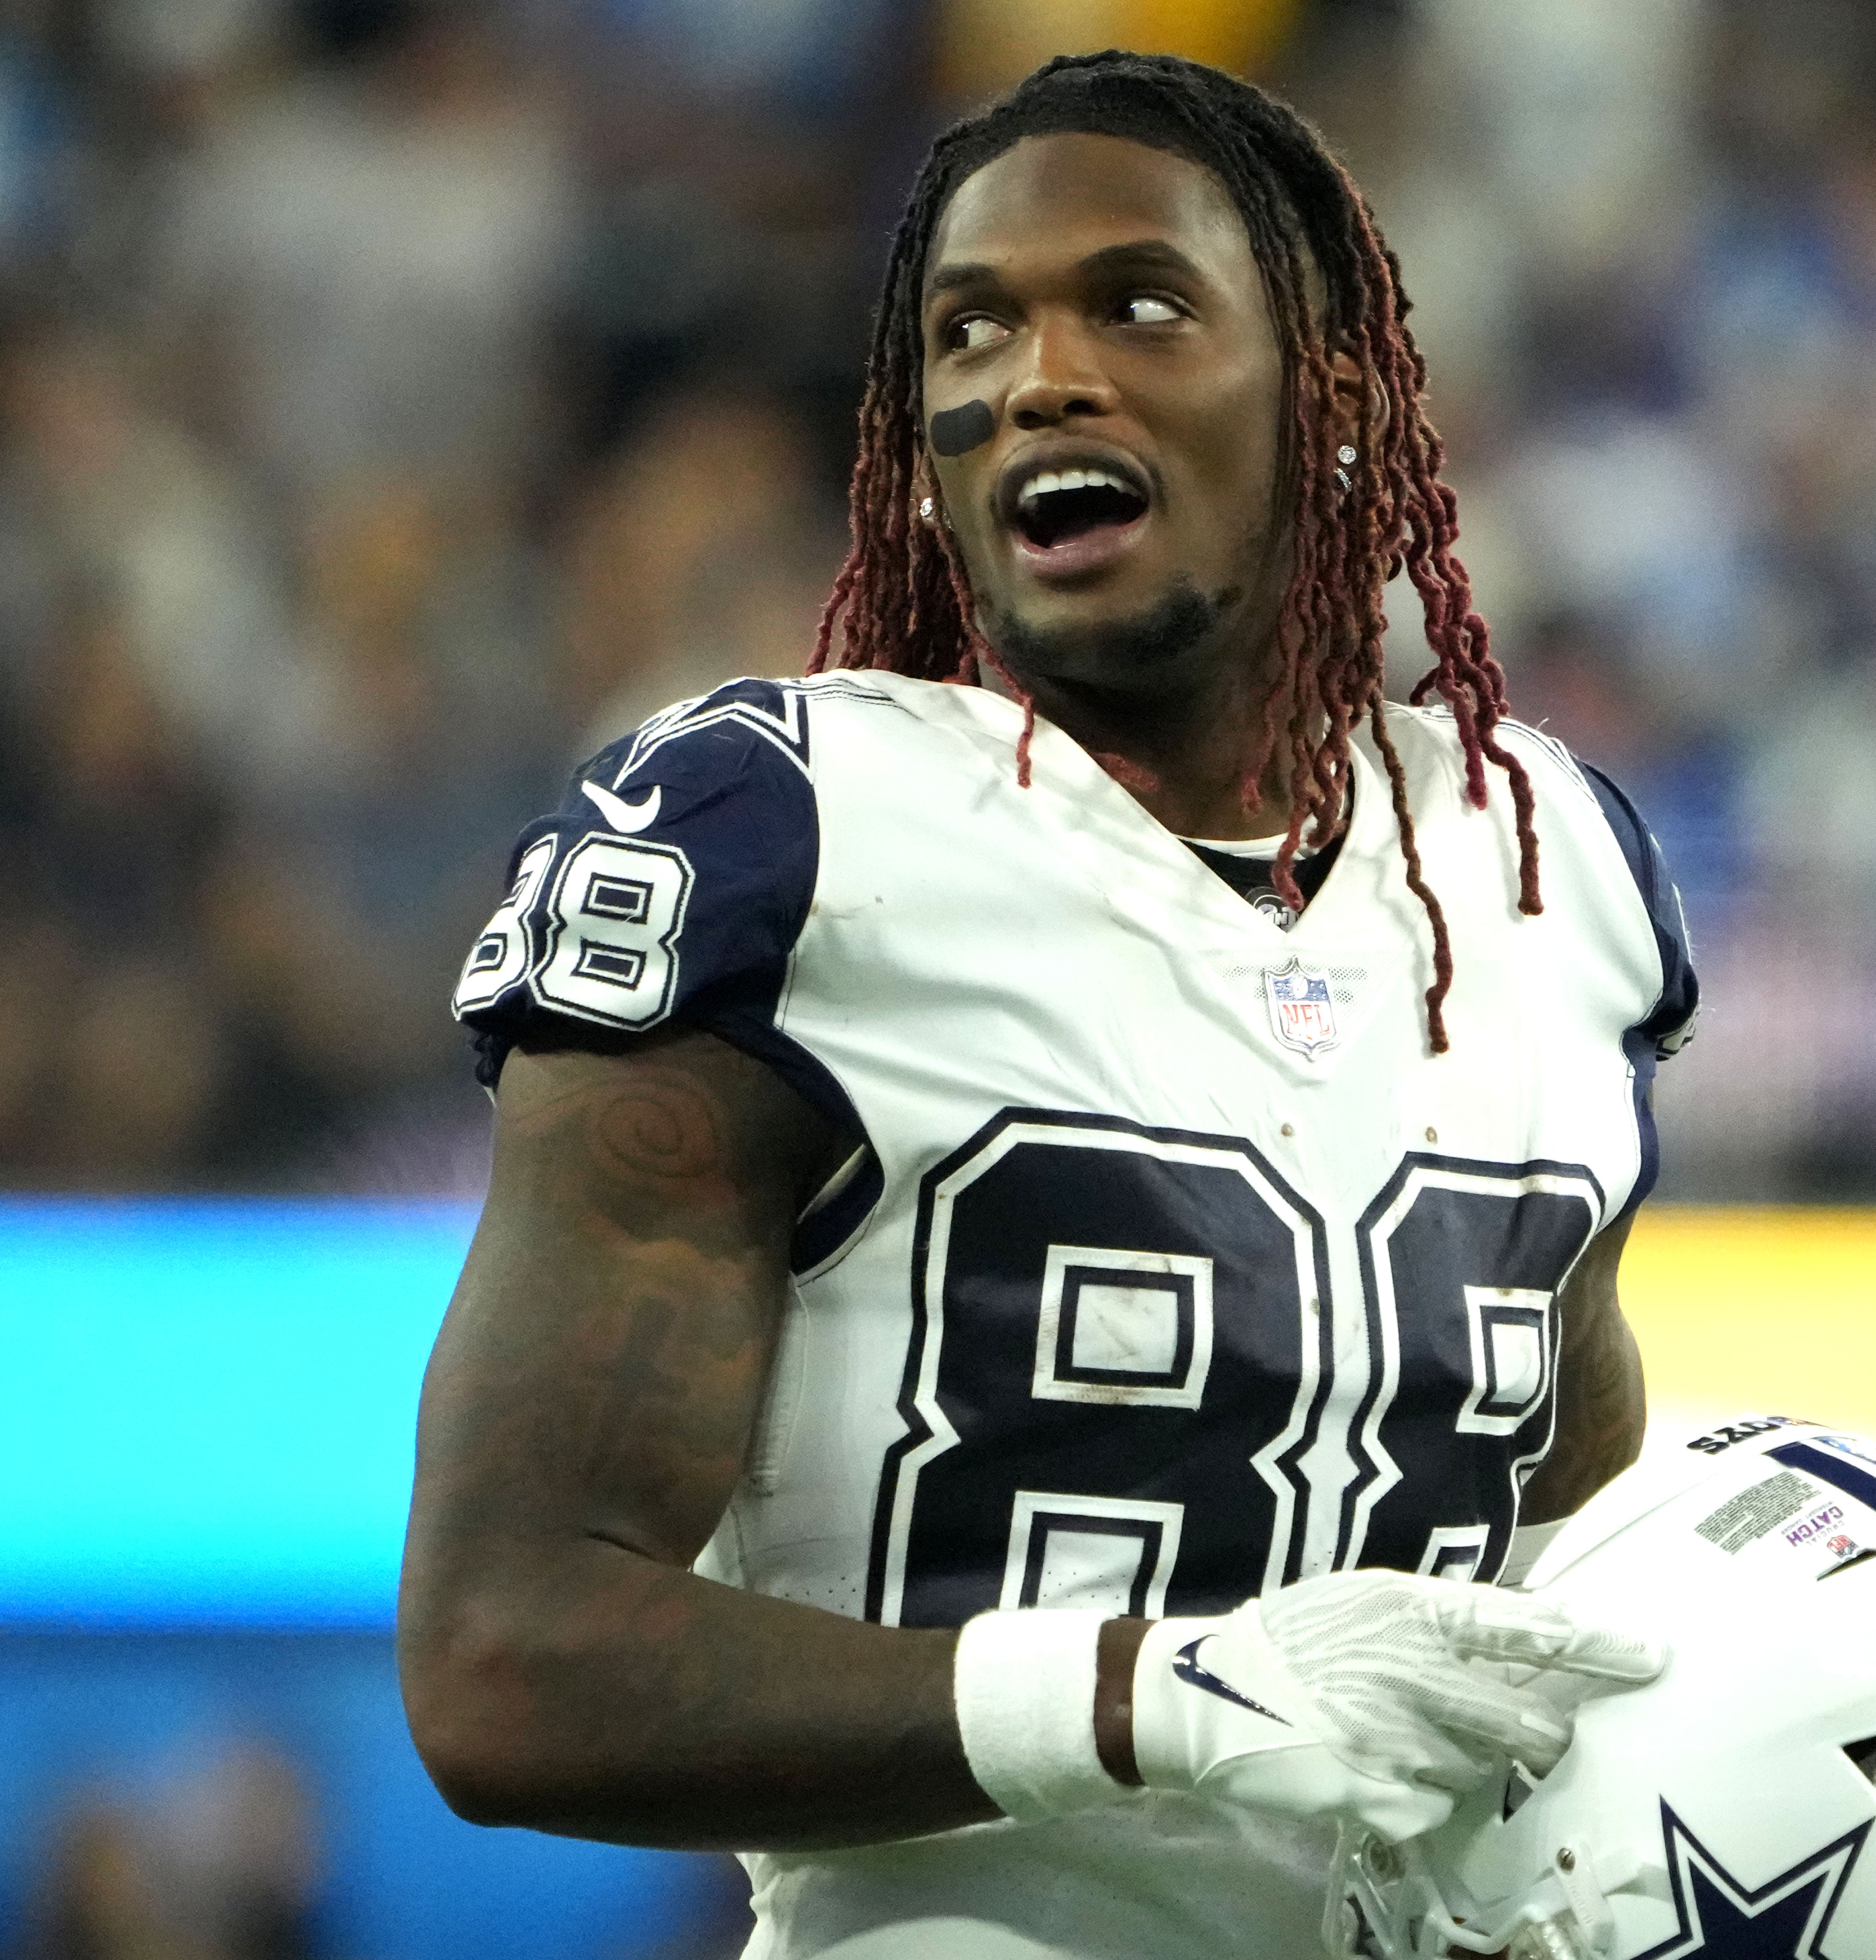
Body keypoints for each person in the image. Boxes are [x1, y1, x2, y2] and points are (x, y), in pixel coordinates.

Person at [399, 51, 1698, 1960]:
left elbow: (1569, 1537)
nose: (1037, 375)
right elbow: (505, 1657)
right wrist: (1148, 1698)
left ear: (1333, 394)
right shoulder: (781, 831)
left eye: (1138, 304)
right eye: (970, 327)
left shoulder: (1543, 864)